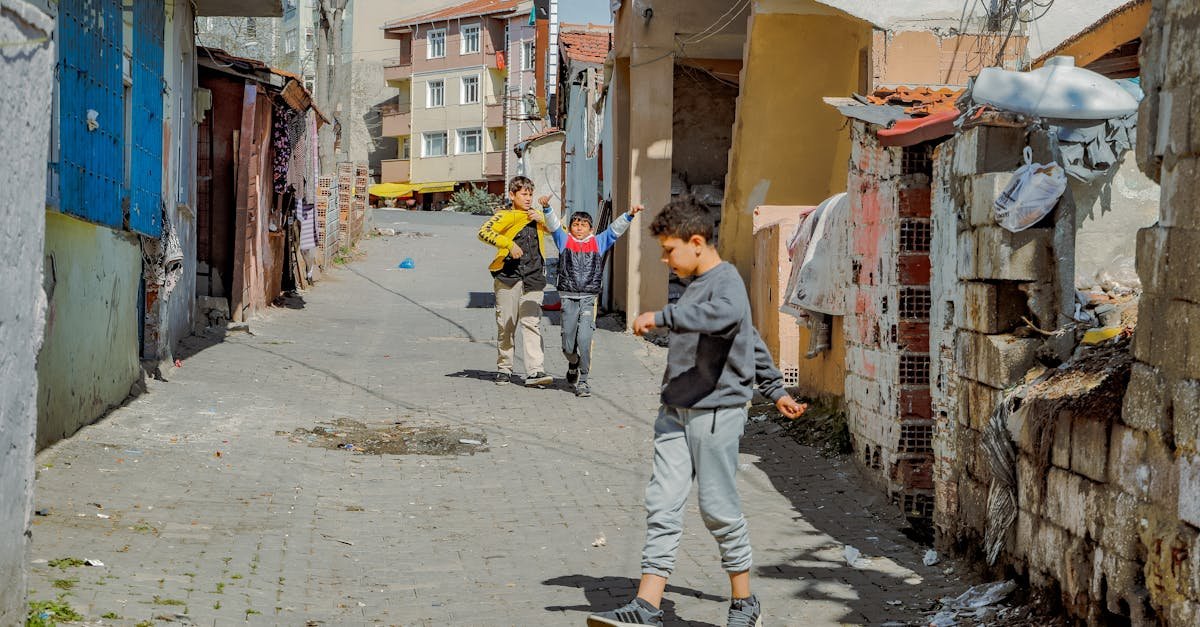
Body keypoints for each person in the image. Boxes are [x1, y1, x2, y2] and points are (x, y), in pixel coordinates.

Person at [587, 196, 807, 627]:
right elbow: (750, 337)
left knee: (717, 507)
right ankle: (646, 607)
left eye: (669, 251)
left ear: (696, 241)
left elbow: (726, 317)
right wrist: (776, 387)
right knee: (662, 504)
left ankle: (745, 603)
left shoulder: (725, 283)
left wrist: (663, 316)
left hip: (716, 410)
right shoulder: (698, 284)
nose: (667, 260)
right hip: (675, 409)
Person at [541, 200, 643, 396]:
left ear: (591, 228)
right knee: (568, 345)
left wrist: (629, 214)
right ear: (570, 227)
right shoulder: (564, 241)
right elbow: (553, 224)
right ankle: (573, 364)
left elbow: (615, 229)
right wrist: (547, 208)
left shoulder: (598, 242)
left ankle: (584, 381)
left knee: (585, 339)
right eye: (575, 224)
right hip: (568, 297)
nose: (579, 228)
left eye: (583, 225)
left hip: (589, 298)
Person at [477, 176, 553, 387]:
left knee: (532, 323)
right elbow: (483, 232)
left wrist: (543, 218)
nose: (528, 198)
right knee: (506, 325)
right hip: (508, 277)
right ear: (512, 195)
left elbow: (561, 231)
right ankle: (504, 368)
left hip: (534, 278)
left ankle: (535, 371)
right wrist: (508, 244)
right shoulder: (505, 216)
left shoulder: (537, 217)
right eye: (523, 194)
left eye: (530, 194)